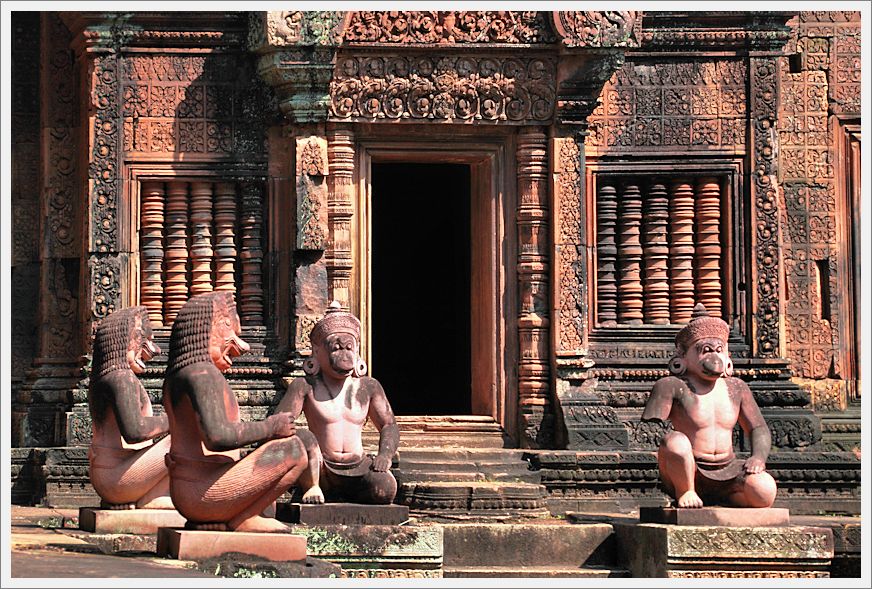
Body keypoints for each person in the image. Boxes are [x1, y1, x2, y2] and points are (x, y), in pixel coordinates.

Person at [162, 292, 318, 532]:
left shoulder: (178, 375)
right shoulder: (202, 374)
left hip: (188, 490)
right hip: (204, 491)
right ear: (203, 329)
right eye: (227, 328)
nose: (241, 346)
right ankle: (243, 518)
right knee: (296, 449)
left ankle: (239, 516)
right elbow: (218, 437)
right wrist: (270, 426)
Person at [642, 303, 777, 508]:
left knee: (764, 491)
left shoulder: (737, 388)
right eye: (705, 350)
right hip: (688, 470)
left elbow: (758, 428)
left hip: (729, 469)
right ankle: (686, 492)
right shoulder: (672, 386)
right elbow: (650, 429)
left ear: (727, 356)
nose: (714, 357)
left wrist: (758, 457)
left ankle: (726, 498)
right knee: (675, 441)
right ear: (683, 358)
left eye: (718, 350)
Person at [277, 301, 399, 504]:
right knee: (304, 436)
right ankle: (312, 487)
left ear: (358, 351)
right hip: (319, 467)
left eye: (349, 348)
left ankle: (345, 493)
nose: (345, 355)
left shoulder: (369, 387)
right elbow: (278, 423)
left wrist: (385, 455)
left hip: (358, 465)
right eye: (336, 348)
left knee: (385, 489)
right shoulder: (304, 386)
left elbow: (388, 424)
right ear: (317, 352)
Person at [88, 306, 173, 510]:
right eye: (143, 339)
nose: (154, 350)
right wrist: (176, 420)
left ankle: (151, 497)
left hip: (113, 474)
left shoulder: (106, 377)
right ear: (123, 340)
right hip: (118, 475)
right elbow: (135, 431)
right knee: (188, 435)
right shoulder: (120, 378)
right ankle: (148, 498)